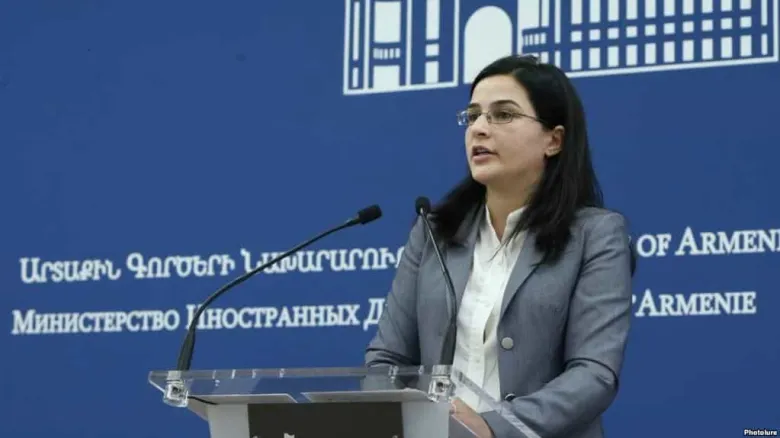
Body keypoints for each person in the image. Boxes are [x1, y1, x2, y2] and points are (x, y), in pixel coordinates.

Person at [365, 54, 634, 438]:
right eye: (473, 115)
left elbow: (594, 374)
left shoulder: (596, 235)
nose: (479, 129)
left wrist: (494, 426)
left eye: (503, 115)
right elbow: (387, 360)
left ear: (554, 140)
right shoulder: (434, 231)